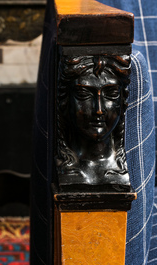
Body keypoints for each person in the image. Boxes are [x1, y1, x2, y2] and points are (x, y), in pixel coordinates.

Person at [55, 55, 131, 191]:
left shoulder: (118, 170)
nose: (99, 110)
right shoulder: (69, 171)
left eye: (111, 94)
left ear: (122, 103)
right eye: (84, 94)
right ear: (65, 101)